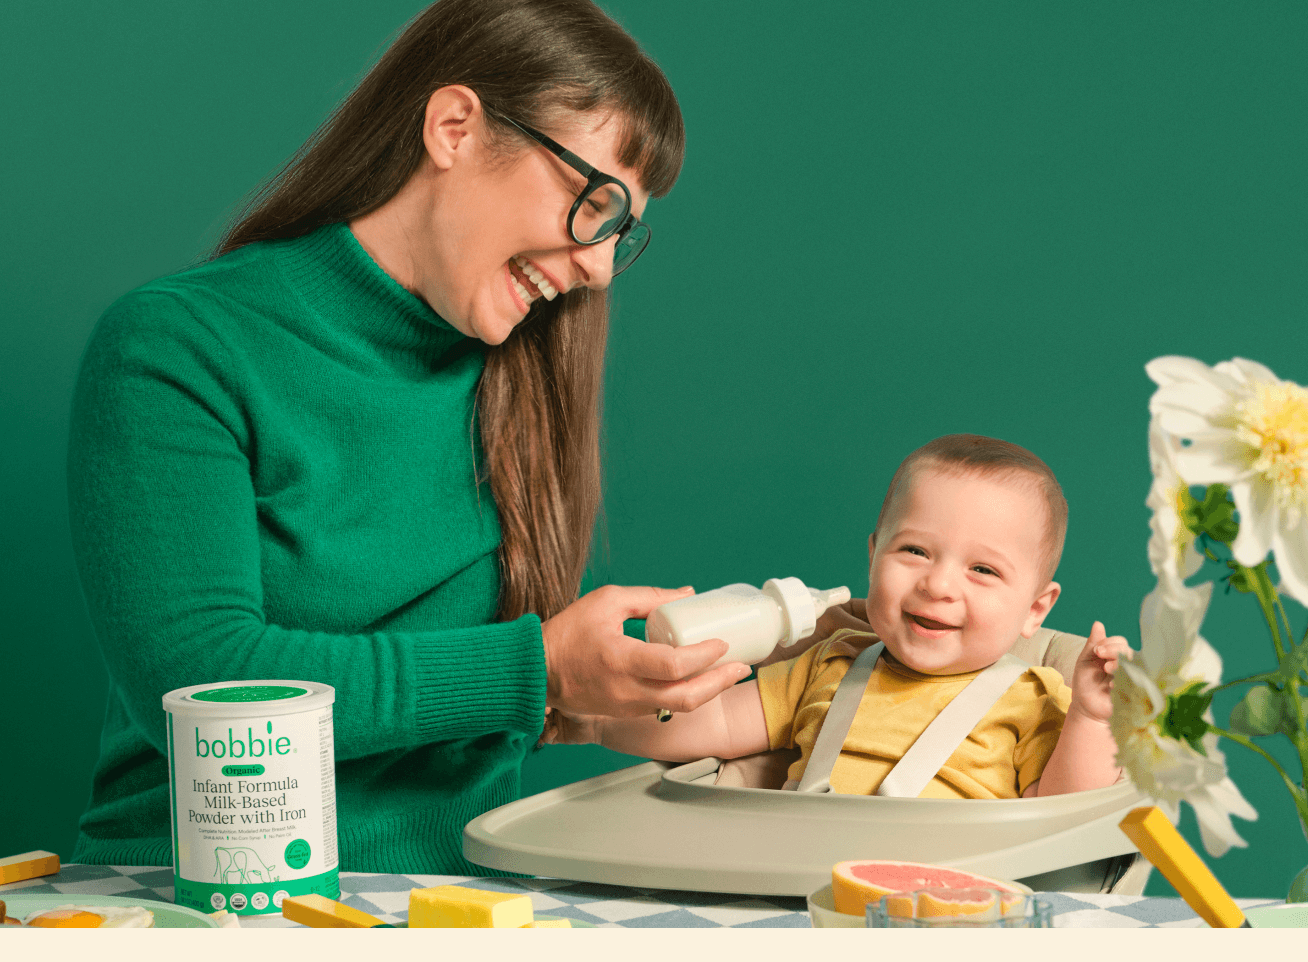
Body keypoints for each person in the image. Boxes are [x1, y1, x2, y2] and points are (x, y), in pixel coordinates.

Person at [66, 0, 747, 876]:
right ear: (454, 127)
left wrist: (639, 696)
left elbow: (464, 716)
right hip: (206, 904)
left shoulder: (521, 374)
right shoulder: (179, 347)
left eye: (623, 231)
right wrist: (535, 670)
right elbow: (200, 687)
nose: (599, 267)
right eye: (593, 204)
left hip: (464, 903)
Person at [560, 435, 1131, 798]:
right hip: (803, 890)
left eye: (983, 570)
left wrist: (1091, 717)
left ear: (1035, 609)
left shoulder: (1035, 698)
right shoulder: (827, 665)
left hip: (951, 913)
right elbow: (710, 727)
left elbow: (1064, 812)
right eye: (914, 552)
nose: (937, 583)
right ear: (872, 558)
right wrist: (592, 719)